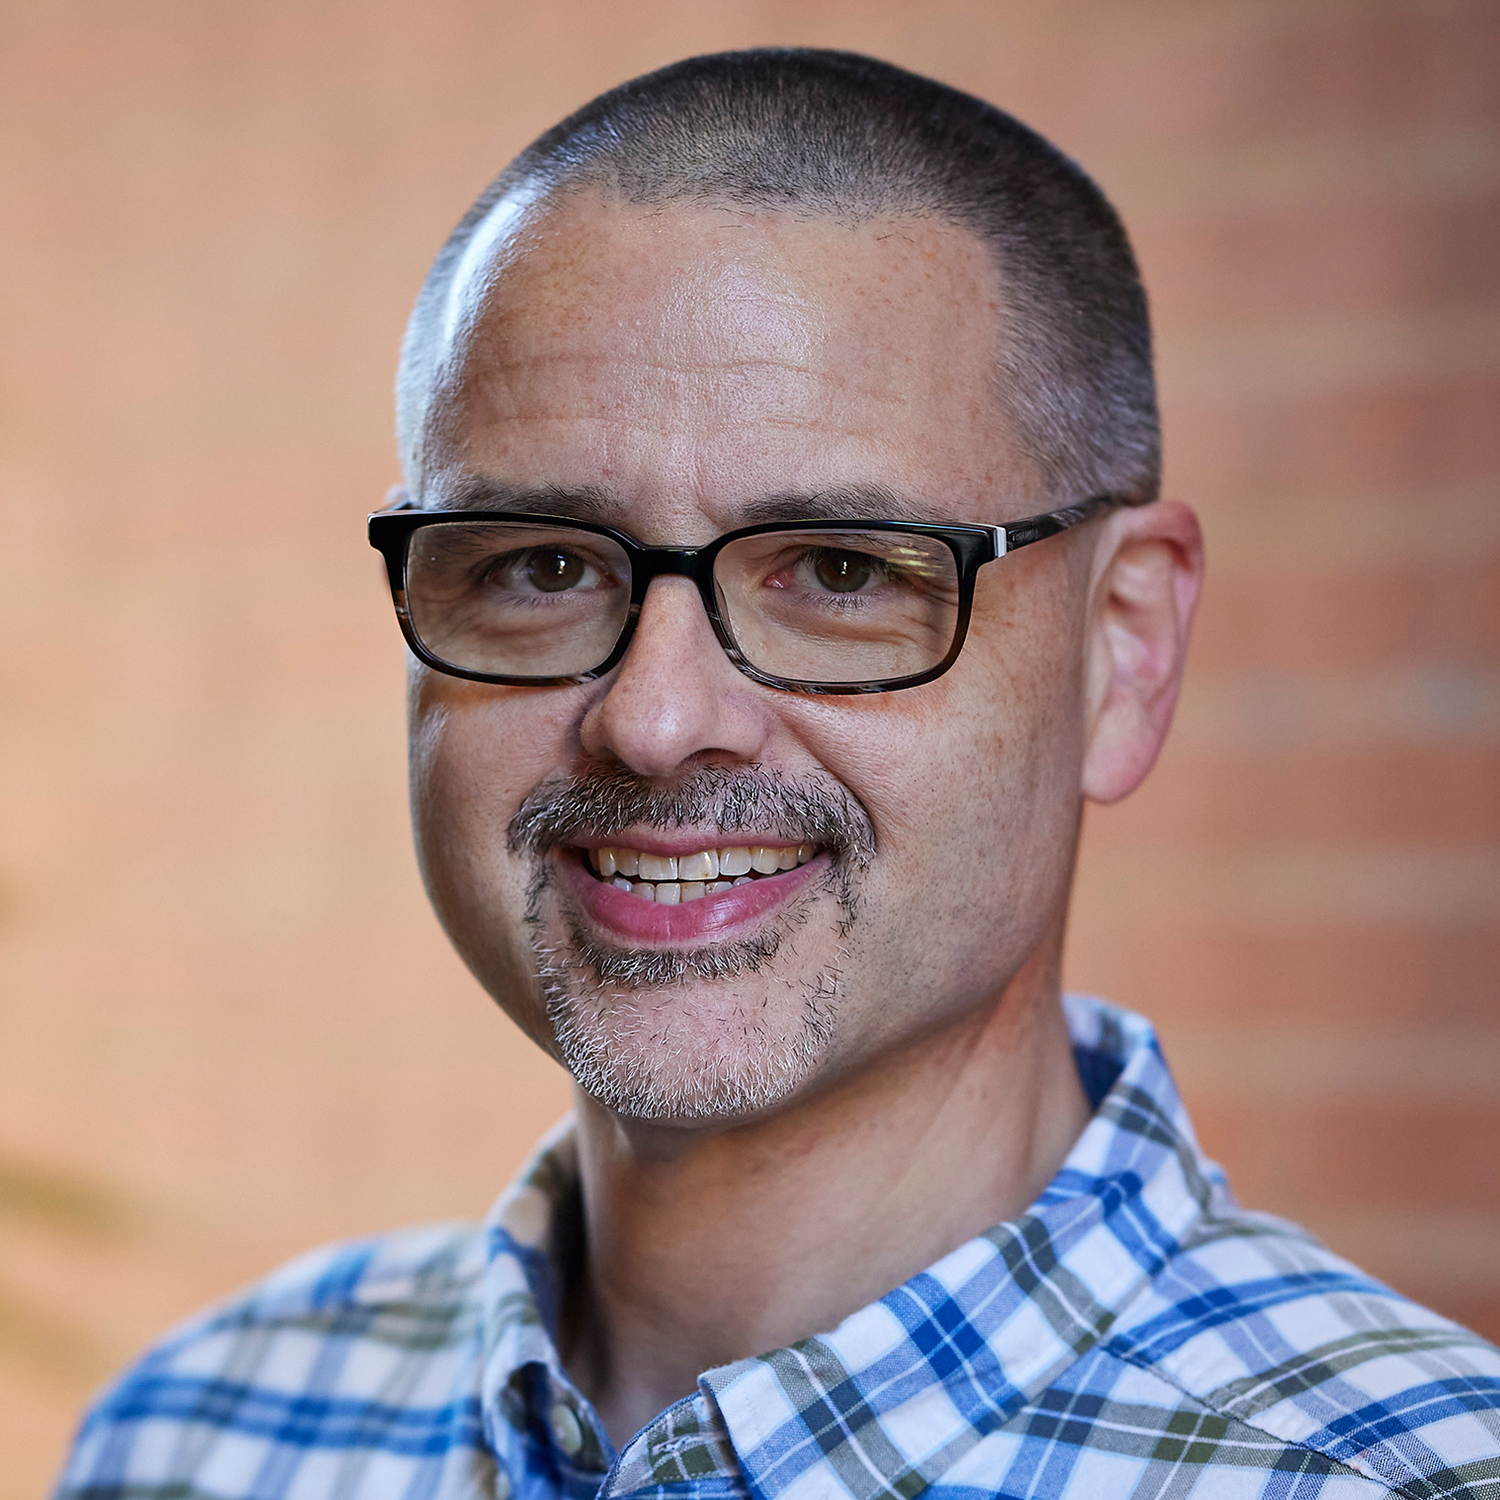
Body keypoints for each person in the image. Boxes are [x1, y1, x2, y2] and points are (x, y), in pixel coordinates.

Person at [53, 48, 1500, 1500]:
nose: (657, 718)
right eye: (542, 565)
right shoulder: (194, 1439)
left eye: (838, 571)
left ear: (1122, 649)